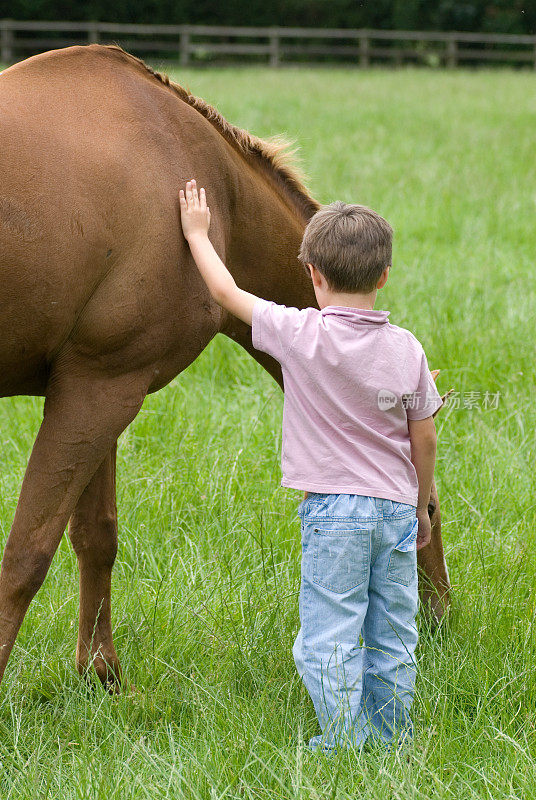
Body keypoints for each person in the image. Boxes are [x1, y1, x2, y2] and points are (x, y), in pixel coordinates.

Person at [179, 179, 442, 752]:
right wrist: (421, 503)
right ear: (383, 277)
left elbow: (226, 293)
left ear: (313, 276)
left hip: (333, 515)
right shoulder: (408, 350)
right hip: (396, 509)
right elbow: (424, 436)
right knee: (394, 633)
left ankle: (345, 744)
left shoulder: (300, 333)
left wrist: (198, 235)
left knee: (328, 636)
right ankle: (392, 738)